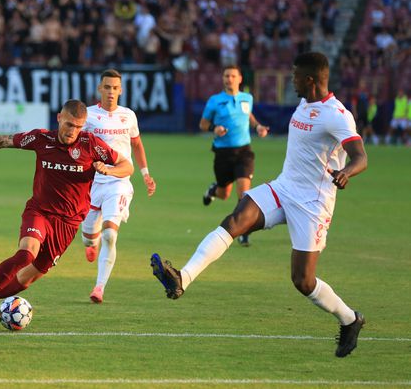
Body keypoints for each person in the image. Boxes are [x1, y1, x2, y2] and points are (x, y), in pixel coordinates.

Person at [151, 52, 368, 358]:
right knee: (235, 220)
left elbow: (360, 156)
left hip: (312, 203)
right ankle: (183, 279)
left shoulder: (337, 114)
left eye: (294, 76)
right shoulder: (305, 103)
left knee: (302, 281)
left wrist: (347, 171)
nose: (290, 81)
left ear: (309, 79)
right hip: (283, 187)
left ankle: (350, 319)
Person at [0, 100, 134, 322]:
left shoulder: (91, 145)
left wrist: (109, 169)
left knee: (29, 278)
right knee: (27, 252)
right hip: (40, 212)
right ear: (59, 118)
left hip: (68, 224)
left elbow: (127, 165)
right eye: (69, 125)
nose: (73, 131)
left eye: (79, 127)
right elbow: (2, 140)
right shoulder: (42, 138)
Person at [80, 69, 157, 303]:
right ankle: (91, 243)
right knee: (88, 237)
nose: (111, 92)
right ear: (99, 89)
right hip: (92, 183)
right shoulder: (89, 116)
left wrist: (145, 174)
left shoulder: (128, 116)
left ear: (121, 90)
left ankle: (99, 287)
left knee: (111, 235)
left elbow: (137, 145)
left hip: (119, 181)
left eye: (115, 88)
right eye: (107, 87)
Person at [200, 65, 268, 247]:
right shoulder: (215, 101)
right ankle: (213, 190)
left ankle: (243, 231)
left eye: (232, 76)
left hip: (244, 152)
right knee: (224, 194)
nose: (229, 79)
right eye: (226, 76)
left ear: (239, 79)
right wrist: (215, 128)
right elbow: (203, 123)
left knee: (244, 192)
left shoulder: (247, 98)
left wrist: (258, 127)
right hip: (223, 153)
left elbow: (249, 116)